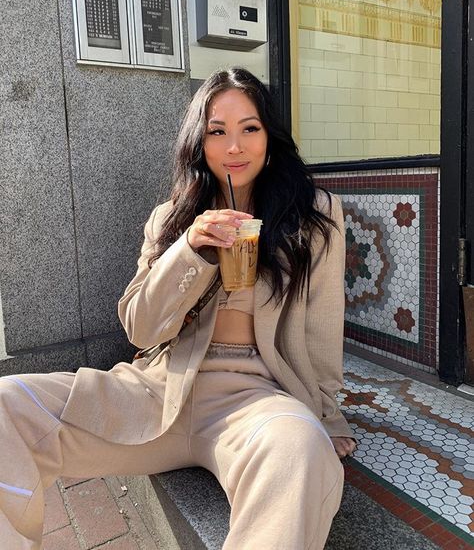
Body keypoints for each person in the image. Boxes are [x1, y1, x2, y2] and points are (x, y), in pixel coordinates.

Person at [0, 67, 356, 550]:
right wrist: (189, 250)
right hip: (160, 389)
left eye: (249, 128)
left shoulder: (313, 215)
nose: (234, 146)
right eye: (217, 131)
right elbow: (140, 329)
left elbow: (322, 324)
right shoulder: (170, 218)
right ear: (199, 142)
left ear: (269, 138)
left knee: (299, 450)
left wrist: (328, 416)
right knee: (8, 404)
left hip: (256, 399)